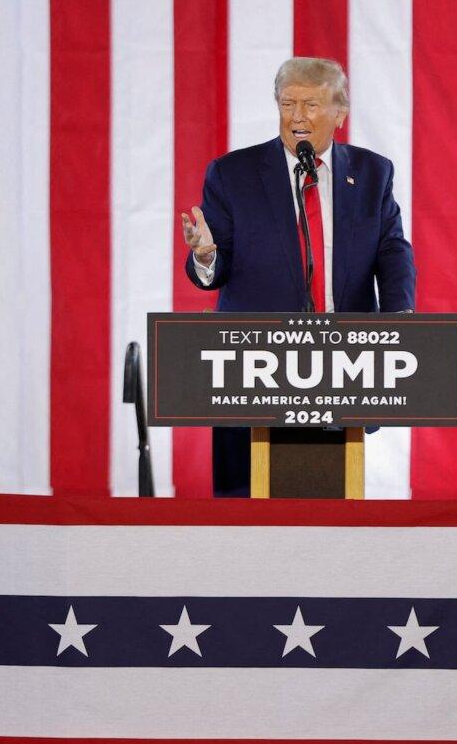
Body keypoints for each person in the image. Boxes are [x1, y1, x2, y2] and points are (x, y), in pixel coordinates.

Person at [178, 56, 416, 497]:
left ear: (340, 114)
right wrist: (206, 255)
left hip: (341, 362)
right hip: (252, 368)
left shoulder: (371, 173)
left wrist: (400, 314)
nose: (298, 116)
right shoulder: (233, 174)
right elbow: (212, 272)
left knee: (327, 505)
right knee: (243, 510)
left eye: (311, 104)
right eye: (288, 104)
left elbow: (391, 248)